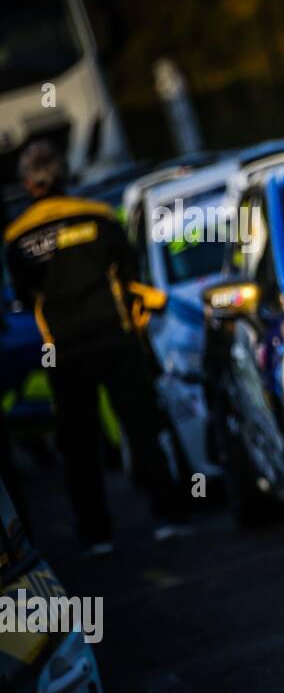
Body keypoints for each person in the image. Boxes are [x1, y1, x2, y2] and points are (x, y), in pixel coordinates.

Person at [4, 141, 188, 557]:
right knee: (142, 427)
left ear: (28, 184)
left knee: (78, 445)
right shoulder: (98, 216)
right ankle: (168, 514)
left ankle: (95, 532)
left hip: (64, 350)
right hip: (113, 335)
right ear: (64, 174)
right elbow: (128, 271)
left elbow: (22, 294)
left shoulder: (17, 238)